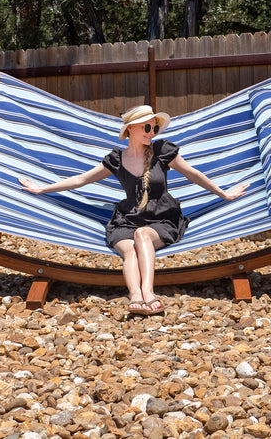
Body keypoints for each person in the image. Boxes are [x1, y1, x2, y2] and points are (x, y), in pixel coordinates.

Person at [19, 105, 249, 316]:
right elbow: (82, 179)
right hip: (126, 219)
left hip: (162, 218)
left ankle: (148, 293)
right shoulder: (117, 160)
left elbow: (193, 174)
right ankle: (135, 296)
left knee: (142, 235)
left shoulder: (162, 151)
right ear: (130, 128)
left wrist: (224, 193)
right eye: (147, 127)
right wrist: (42, 189)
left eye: (154, 128)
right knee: (130, 251)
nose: (152, 132)